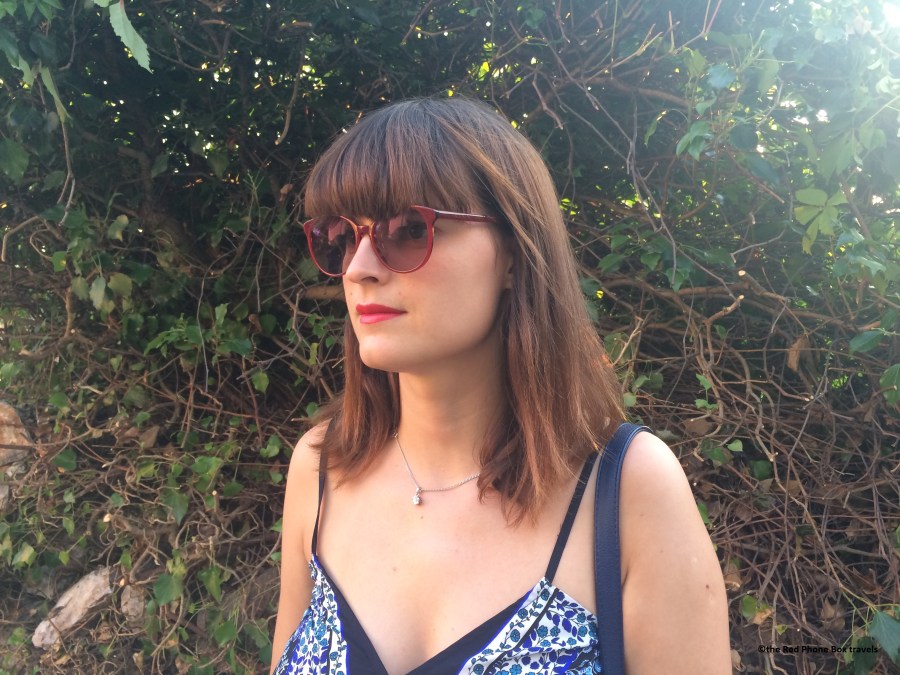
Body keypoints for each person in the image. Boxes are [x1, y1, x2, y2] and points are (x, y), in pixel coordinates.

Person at [270, 96, 731, 674]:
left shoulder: (626, 490)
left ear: (513, 255)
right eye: (342, 236)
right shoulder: (320, 469)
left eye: (408, 230)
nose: (359, 268)